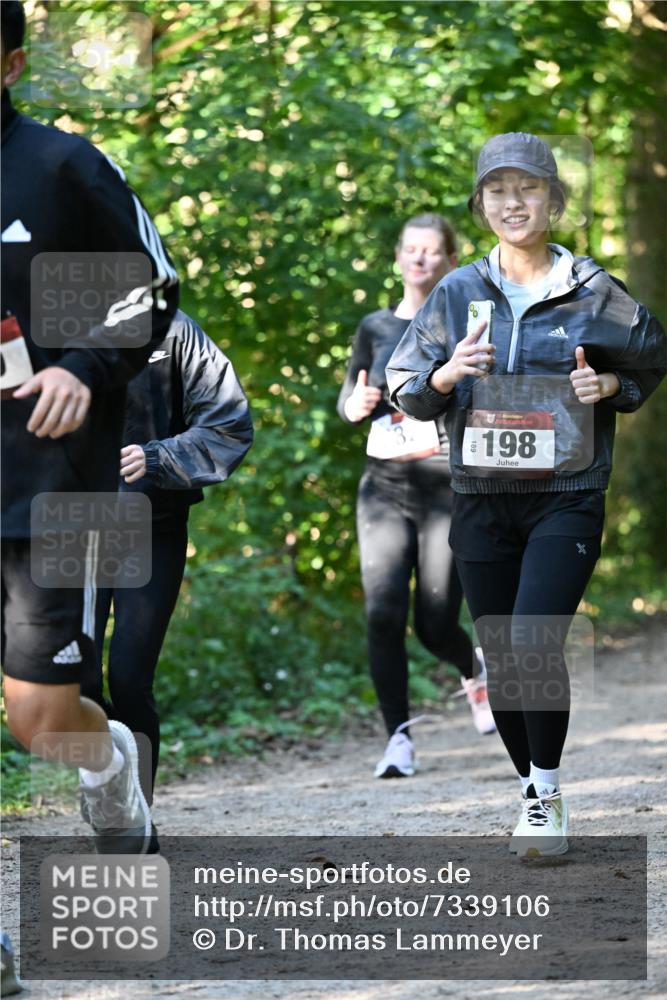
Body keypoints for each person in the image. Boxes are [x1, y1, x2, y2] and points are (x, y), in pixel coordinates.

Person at [387, 133, 667, 854]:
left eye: (528, 188)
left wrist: (609, 385)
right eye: (498, 191)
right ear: (480, 205)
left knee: (535, 639)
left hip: (565, 493)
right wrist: (445, 375)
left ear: (553, 199)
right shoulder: (456, 293)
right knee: (503, 654)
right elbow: (404, 386)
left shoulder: (592, 292)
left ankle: (543, 792)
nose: (513, 203)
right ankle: (531, 786)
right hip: (481, 498)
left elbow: (651, 357)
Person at [1, 1, 179, 853]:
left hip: (52, 487)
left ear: (11, 66)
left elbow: (152, 289)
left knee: (38, 719)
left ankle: (108, 766)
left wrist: (83, 365)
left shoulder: (60, 167)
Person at [81, 310, 253, 850]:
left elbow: (229, 422)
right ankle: (113, 791)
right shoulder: (36, 322)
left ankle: (133, 822)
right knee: (76, 684)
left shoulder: (173, 330)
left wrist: (157, 457)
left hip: (150, 527)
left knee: (130, 679)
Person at [337, 213, 496, 781]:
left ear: (451, 260)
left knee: (433, 622)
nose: (421, 259)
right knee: (382, 613)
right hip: (382, 486)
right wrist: (352, 407)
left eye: (433, 251)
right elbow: (350, 394)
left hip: (442, 483)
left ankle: (471, 665)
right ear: (399, 258)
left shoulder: (467, 324)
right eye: (412, 250)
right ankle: (398, 739)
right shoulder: (375, 326)